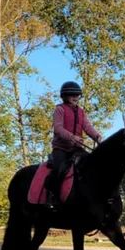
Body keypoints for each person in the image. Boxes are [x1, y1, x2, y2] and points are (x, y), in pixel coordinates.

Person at [45, 81, 102, 210]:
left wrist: (97, 137)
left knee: (92, 166)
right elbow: (58, 128)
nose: (75, 97)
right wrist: (71, 136)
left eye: (77, 95)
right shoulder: (59, 109)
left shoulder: (81, 112)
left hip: (77, 149)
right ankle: (51, 198)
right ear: (64, 96)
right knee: (58, 169)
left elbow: (87, 127)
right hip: (61, 149)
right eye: (72, 95)